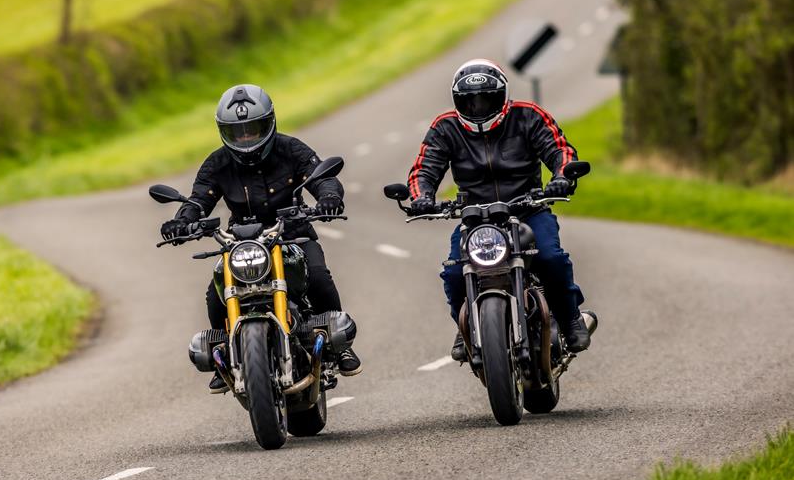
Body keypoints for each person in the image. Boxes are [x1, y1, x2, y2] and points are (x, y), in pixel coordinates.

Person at [160, 84, 362, 392]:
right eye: (238, 132)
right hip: (241, 242)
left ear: (269, 123)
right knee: (215, 295)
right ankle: (223, 356)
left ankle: (340, 346)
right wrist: (181, 222)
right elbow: (199, 199)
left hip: (292, 234)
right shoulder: (217, 163)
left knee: (319, 276)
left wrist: (329, 197)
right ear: (224, 132)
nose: (246, 139)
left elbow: (322, 178)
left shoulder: (291, 149)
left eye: (252, 130)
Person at [407, 59, 591, 361]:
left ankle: (570, 318)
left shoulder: (528, 116)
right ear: (457, 101)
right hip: (474, 218)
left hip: (528, 209)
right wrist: (421, 196)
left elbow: (560, 150)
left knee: (550, 258)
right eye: (470, 101)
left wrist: (561, 176)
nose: (478, 107)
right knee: (454, 273)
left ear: (502, 96)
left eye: (486, 99)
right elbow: (423, 170)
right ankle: (466, 326)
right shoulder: (445, 127)